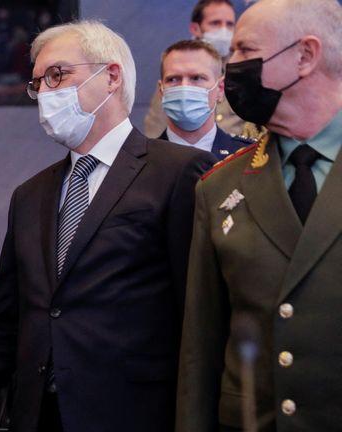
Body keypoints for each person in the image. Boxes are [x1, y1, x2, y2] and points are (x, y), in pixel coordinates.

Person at [0, 20, 216, 432]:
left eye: (57, 75)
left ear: (111, 76)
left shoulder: (178, 173)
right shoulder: (30, 195)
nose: (45, 93)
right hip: (38, 417)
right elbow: (6, 325)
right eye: (38, 83)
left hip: (136, 414)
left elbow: (200, 316)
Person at [177, 0, 342, 430]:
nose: (232, 67)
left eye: (245, 52)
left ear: (305, 56)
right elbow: (201, 349)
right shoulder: (219, 187)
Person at [144, 0, 251, 138]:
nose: (224, 31)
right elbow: (156, 128)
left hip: (235, 155)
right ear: (195, 29)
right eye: (215, 23)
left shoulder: (243, 72)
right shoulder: (176, 70)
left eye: (229, 24)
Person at [157, 39, 253, 160]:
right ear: (161, 90)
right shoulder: (139, 162)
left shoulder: (248, 157)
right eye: (173, 79)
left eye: (196, 78)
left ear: (220, 88)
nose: (184, 87)